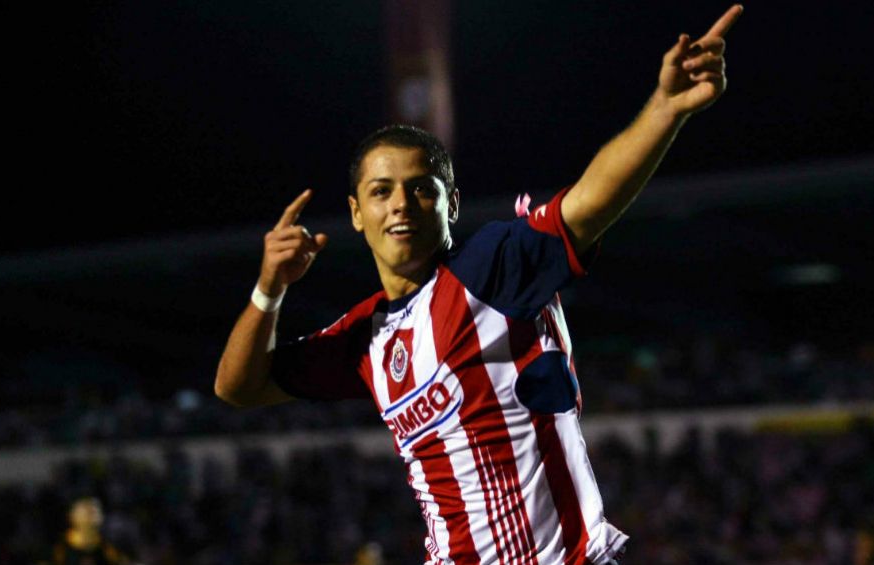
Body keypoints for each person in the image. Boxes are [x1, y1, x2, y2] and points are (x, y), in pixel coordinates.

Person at [215, 5, 743, 563]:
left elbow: (587, 205)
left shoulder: (491, 268)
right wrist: (269, 287)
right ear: (355, 213)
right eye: (381, 191)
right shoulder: (364, 338)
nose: (401, 204)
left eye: (422, 188)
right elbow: (238, 388)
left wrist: (665, 109)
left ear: (452, 204)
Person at [40, 497, 130, 565]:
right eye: (86, 509)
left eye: (93, 509)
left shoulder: (108, 549)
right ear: (71, 516)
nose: (92, 513)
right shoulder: (58, 549)